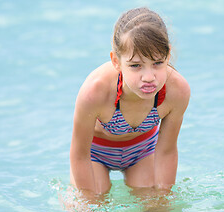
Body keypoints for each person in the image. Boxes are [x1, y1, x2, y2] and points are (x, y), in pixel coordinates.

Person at [69, 7, 190, 196]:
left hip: (142, 151)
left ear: (168, 55)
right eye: (135, 66)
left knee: (156, 209)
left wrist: (164, 198)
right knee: (94, 211)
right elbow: (79, 155)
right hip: (95, 154)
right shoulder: (95, 92)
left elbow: (166, 151)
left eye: (157, 63)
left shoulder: (177, 91)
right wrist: (89, 204)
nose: (149, 77)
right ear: (116, 61)